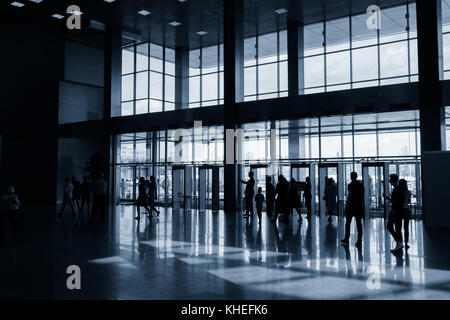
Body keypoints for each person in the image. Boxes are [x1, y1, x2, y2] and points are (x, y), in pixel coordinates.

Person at [341, 172, 364, 247]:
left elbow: (350, 195)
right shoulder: (361, 185)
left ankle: (346, 238)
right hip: (358, 206)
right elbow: (362, 195)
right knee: (358, 224)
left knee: (348, 223)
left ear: (351, 177)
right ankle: (359, 240)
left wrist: (346, 205)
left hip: (351, 206)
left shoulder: (350, 185)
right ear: (356, 176)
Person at [385, 174, 404, 252]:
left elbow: (394, 201)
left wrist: (388, 199)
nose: (389, 181)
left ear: (393, 180)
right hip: (399, 211)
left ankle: (398, 242)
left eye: (390, 180)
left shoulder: (395, 190)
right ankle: (399, 244)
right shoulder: (400, 189)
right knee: (398, 228)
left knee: (390, 226)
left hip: (394, 211)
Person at [399, 179, 411, 249]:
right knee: (406, 227)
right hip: (406, 209)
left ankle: (400, 242)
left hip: (400, 210)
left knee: (399, 227)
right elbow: (409, 201)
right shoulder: (408, 192)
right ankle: (406, 243)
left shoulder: (399, 192)